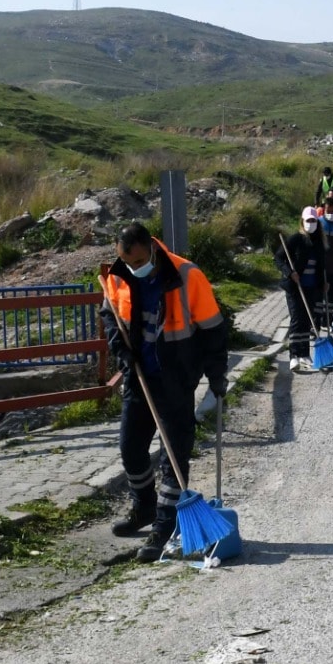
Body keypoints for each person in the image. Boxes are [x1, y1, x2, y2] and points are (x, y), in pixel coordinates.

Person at [101, 223, 229, 563]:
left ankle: (164, 524)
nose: (134, 267)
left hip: (177, 379)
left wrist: (217, 376)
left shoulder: (187, 275)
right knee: (130, 448)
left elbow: (214, 330)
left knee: (174, 456)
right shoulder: (118, 275)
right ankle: (143, 507)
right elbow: (110, 315)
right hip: (139, 377)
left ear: (153, 250)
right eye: (127, 261)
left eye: (140, 260)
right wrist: (120, 349)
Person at [274, 207, 326, 372]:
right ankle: (294, 356)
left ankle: (305, 354)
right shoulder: (295, 239)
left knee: (307, 321)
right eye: (308, 221)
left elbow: (322, 266)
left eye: (314, 221)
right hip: (295, 287)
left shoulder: (319, 241)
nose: (311, 224)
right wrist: (290, 273)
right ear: (302, 222)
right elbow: (278, 258)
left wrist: (325, 282)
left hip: (312, 287)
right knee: (297, 320)